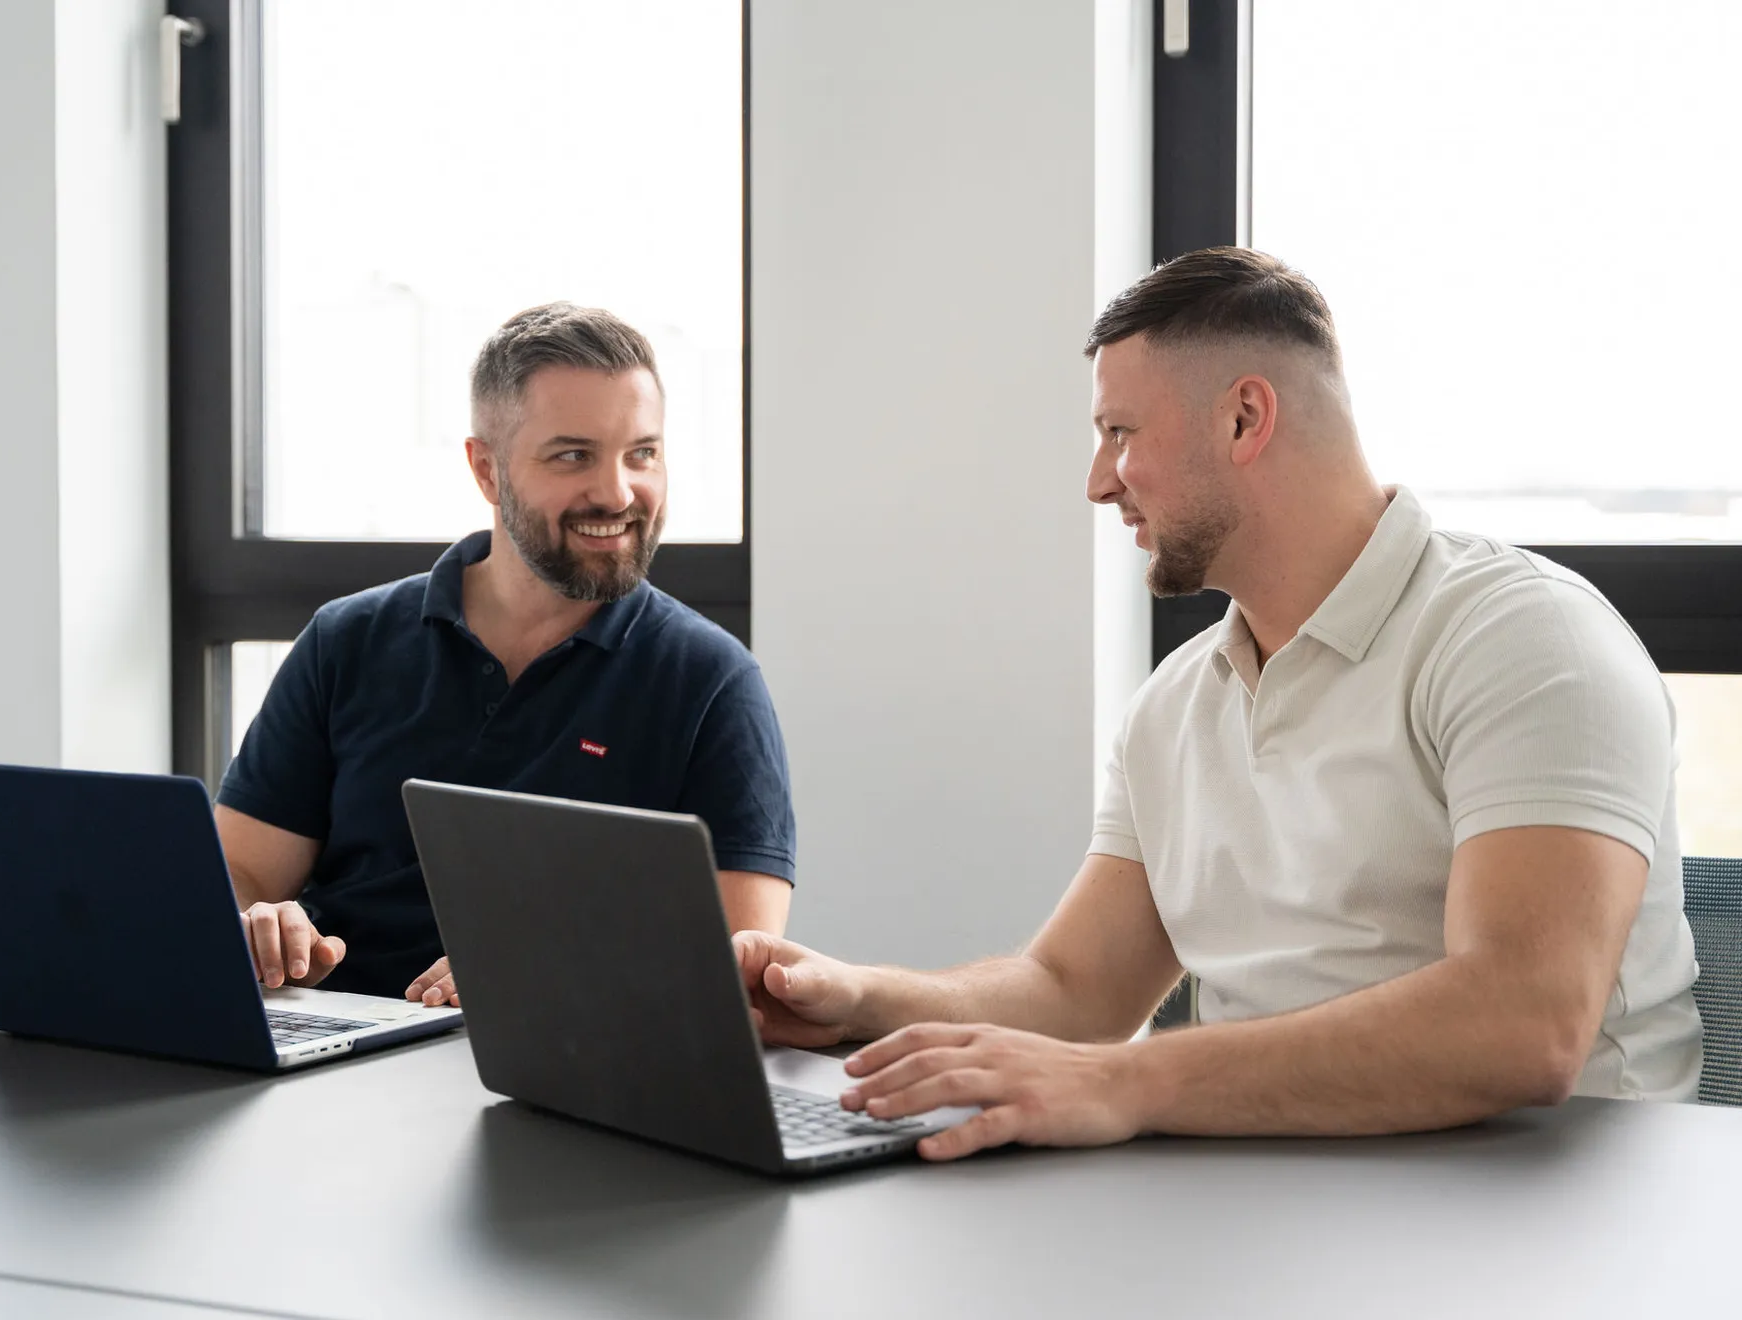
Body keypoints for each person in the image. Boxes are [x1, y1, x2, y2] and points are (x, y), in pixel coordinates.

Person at [736, 247, 1702, 1160]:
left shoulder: (1527, 643)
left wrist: (1130, 1081)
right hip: (1260, 1194)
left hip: (1548, 1219)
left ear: (1245, 418)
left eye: (1121, 433)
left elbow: (1522, 1023)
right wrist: (856, 997)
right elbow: (1071, 991)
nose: (1097, 481)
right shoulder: (1175, 706)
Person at [218, 303, 795, 1001]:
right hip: (337, 1040)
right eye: (573, 455)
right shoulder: (346, 640)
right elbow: (240, 869)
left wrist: (546, 974)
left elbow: (744, 968)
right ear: (487, 471)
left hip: (570, 1068)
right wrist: (257, 917)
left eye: (642, 453)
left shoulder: (711, 681)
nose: (618, 492)